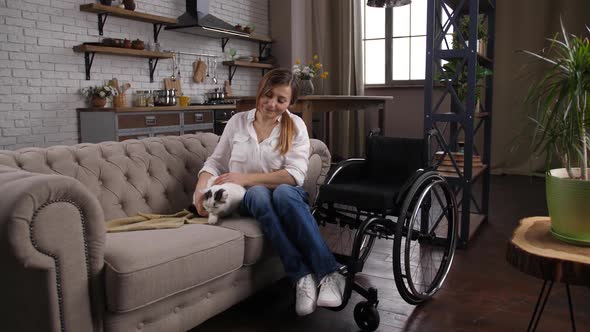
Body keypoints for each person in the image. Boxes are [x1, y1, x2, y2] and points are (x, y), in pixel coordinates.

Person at [194, 68, 345, 316]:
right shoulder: (237, 122)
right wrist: (201, 190)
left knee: (283, 193)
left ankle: (327, 274)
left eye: (281, 99)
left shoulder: (295, 125)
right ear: (260, 91)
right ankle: (303, 276)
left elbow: (295, 174)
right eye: (268, 95)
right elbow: (215, 162)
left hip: (286, 196)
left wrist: (245, 177)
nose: (271, 103)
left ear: (290, 103)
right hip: (246, 198)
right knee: (256, 194)